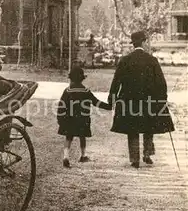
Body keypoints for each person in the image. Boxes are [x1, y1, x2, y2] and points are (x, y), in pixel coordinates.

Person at [107, 31, 175, 168]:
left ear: (134, 44)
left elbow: (116, 82)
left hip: (129, 100)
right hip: (149, 100)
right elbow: (161, 83)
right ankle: (147, 154)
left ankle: (134, 159)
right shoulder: (152, 60)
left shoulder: (125, 60)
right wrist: (163, 99)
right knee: (149, 126)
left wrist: (112, 99)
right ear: (143, 42)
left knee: (132, 128)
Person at [57, 66, 112, 168]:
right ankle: (83, 155)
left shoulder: (67, 91)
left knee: (69, 137)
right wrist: (109, 107)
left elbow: (61, 105)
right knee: (82, 136)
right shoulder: (86, 91)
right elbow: (96, 102)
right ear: (82, 78)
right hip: (83, 118)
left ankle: (66, 157)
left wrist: (60, 118)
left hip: (69, 118)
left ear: (71, 78)